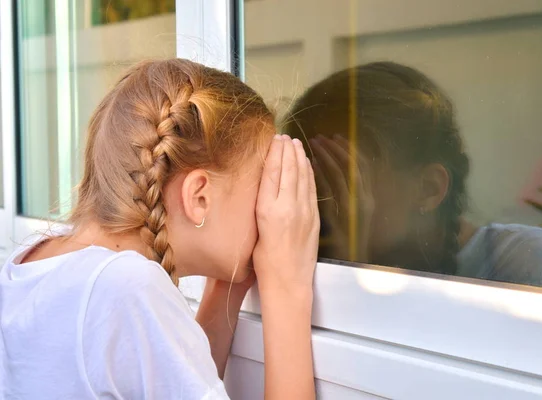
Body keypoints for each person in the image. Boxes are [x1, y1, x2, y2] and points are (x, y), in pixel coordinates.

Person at [0, 59, 319, 399]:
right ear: (199, 197)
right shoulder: (127, 287)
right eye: (262, 186)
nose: (267, 210)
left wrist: (223, 292)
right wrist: (287, 289)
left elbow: (165, 382)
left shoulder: (30, 263)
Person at [284, 61, 542, 290]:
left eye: (344, 176)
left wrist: (349, 264)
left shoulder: (523, 258)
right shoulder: (315, 253)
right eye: (311, 174)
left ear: (429, 189)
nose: (321, 195)